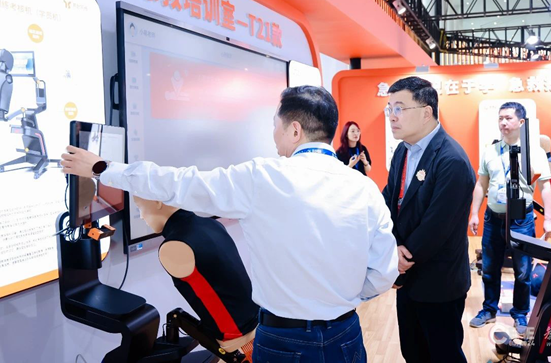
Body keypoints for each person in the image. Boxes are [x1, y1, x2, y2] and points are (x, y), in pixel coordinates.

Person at [61, 86, 399, 363]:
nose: (274, 135)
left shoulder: (262, 178)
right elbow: (385, 273)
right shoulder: (365, 188)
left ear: (295, 130)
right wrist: (342, 300)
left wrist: (103, 168)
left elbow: (178, 183)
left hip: (284, 340)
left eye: (276, 125)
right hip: (346, 334)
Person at [382, 76, 475, 363]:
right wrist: (390, 249)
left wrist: (400, 260)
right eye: (389, 108)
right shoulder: (403, 150)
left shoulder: (451, 160)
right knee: (413, 352)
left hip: (438, 281)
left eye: (400, 108)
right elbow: (389, 201)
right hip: (407, 279)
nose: (392, 116)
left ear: (426, 112)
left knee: (444, 355)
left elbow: (437, 226)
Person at [132, 196, 259, 357]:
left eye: (140, 207)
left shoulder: (174, 245)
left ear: (158, 202)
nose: (141, 216)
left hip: (234, 337)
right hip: (256, 321)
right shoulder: (211, 224)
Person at [468, 102, 551, 335]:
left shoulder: (534, 152)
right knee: (489, 268)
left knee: (523, 271)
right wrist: (474, 213)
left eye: (508, 118)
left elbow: (546, 187)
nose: (503, 123)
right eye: (500, 118)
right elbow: (481, 183)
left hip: (522, 220)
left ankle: (520, 313)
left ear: (521, 122)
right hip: (493, 218)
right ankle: (489, 309)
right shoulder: (490, 151)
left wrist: (548, 218)